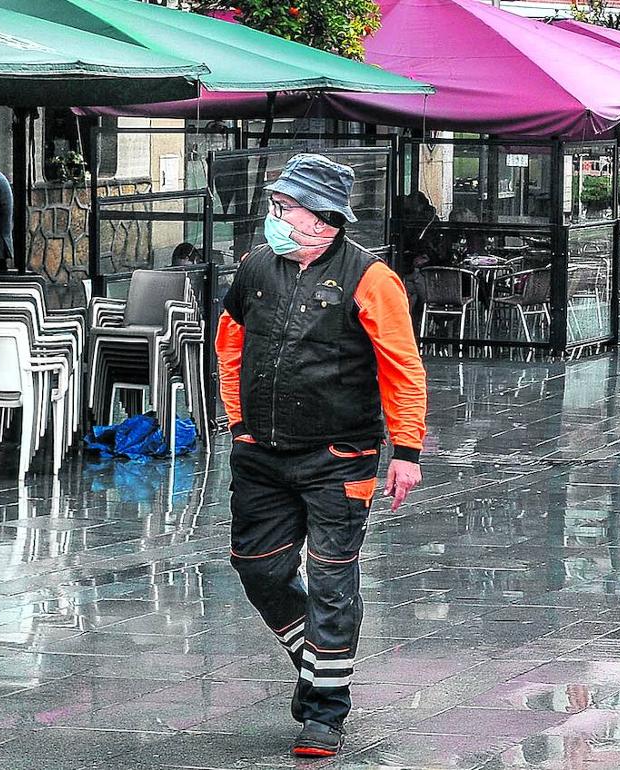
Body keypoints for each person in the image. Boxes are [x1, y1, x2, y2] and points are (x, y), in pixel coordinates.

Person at [214, 154, 427, 758]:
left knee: (333, 578)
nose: (274, 217)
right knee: (257, 566)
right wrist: (238, 419)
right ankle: (316, 658)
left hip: (341, 455)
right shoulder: (256, 267)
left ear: (322, 218)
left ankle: (325, 710)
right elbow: (231, 339)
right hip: (260, 452)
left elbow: (402, 369)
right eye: (276, 205)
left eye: (286, 207)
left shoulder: (370, 279)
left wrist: (405, 450)